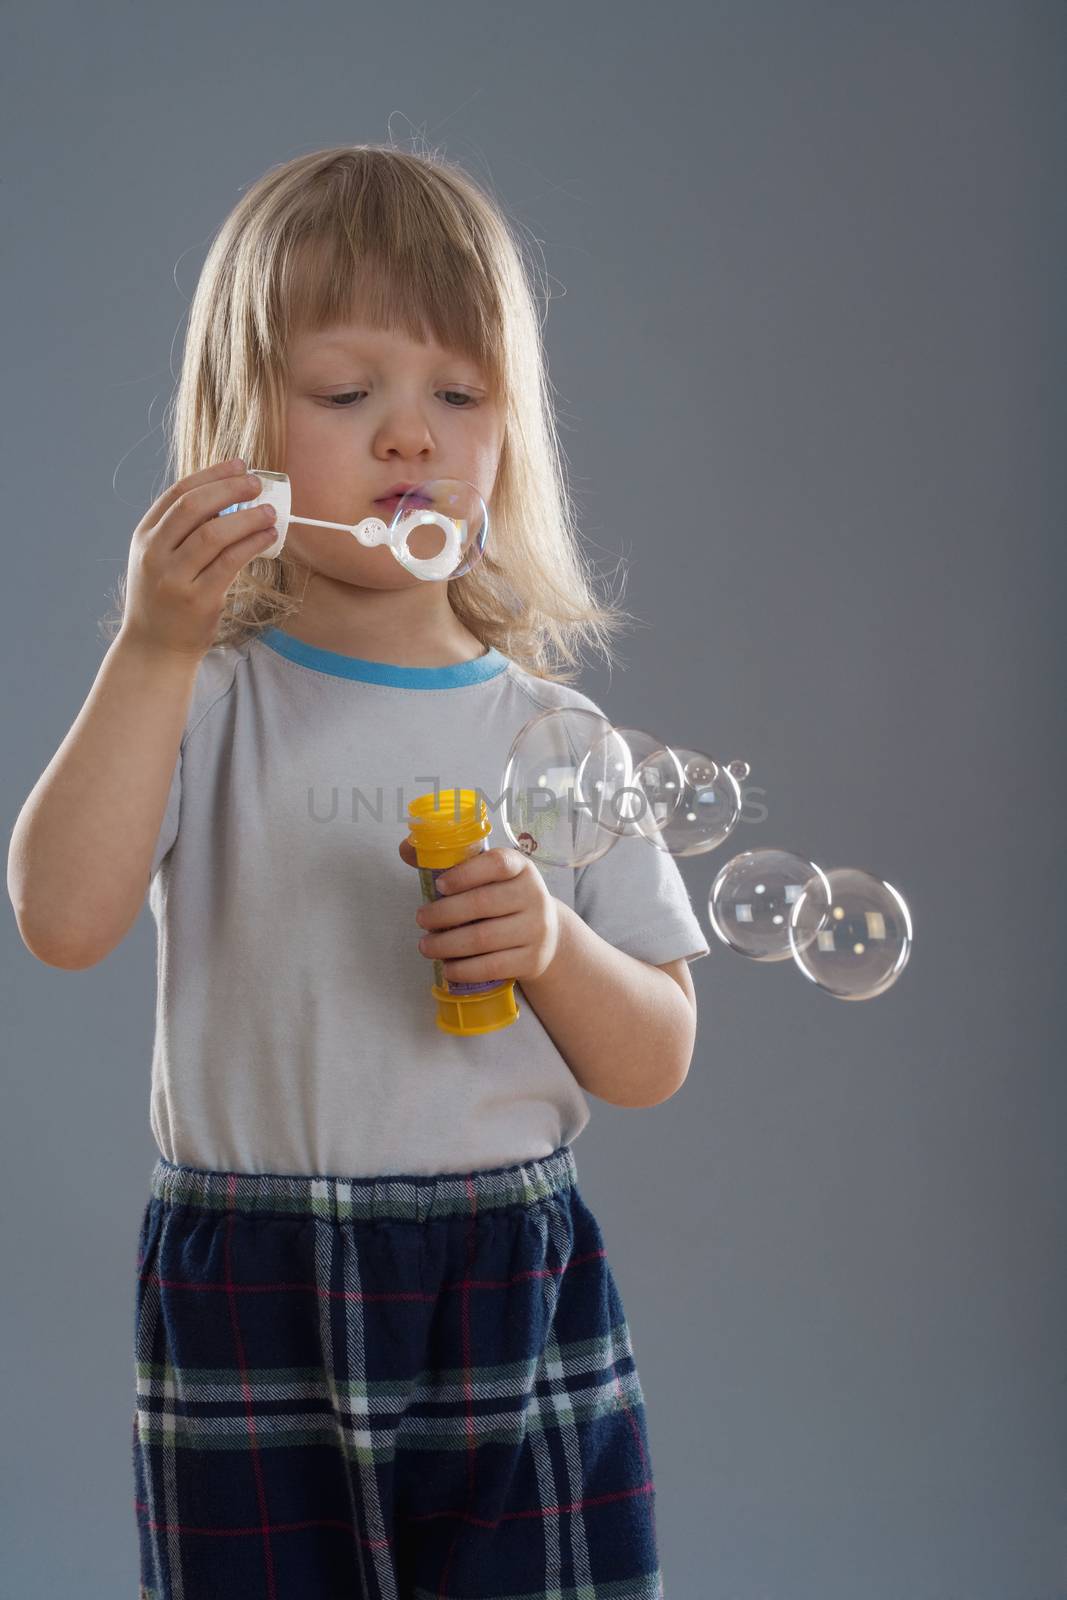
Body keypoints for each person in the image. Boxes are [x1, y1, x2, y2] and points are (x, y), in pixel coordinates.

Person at [8, 144, 710, 1599]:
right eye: (350, 395)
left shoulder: (553, 734)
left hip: (506, 1272)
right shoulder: (199, 699)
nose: (411, 440)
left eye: (460, 396)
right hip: (250, 1278)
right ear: (240, 430)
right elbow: (60, 922)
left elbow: (655, 1056)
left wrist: (552, 952)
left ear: (512, 434)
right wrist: (151, 645)